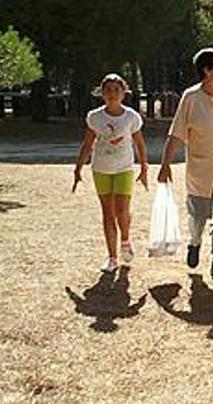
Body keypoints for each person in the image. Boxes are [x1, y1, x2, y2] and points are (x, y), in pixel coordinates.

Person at [158, 48, 213, 280]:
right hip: (201, 172)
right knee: (198, 218)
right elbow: (176, 132)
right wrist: (165, 164)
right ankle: (195, 243)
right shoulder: (191, 97)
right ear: (207, 70)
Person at [73, 73, 149, 273]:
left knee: (122, 210)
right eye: (108, 90)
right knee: (108, 213)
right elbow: (88, 144)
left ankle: (125, 239)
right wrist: (78, 168)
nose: (112, 94)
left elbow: (139, 143)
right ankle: (112, 257)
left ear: (124, 92)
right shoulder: (95, 117)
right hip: (101, 169)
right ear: (102, 93)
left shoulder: (131, 117)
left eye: (117, 90)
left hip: (124, 168)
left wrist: (144, 167)